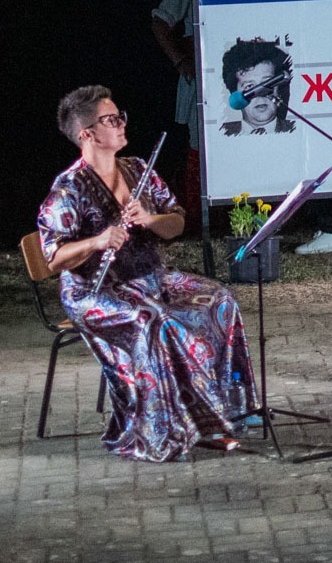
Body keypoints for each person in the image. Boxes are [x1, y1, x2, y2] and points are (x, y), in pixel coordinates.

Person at [37, 85, 257, 461]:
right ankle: (164, 428)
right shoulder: (69, 189)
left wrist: (151, 219)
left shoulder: (138, 169)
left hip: (151, 278)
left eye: (120, 116)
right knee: (153, 321)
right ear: (87, 134)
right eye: (111, 120)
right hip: (94, 290)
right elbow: (54, 259)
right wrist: (97, 241)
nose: (122, 124)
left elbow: (177, 223)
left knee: (220, 300)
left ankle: (226, 413)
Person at [151, 0, 201, 232]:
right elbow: (160, 22)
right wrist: (180, 60)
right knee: (199, 143)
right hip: (203, 76)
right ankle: (197, 217)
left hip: (246, 73)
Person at [220, 38, 296, 135]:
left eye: (267, 83)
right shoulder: (223, 133)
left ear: (278, 89)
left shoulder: (294, 129)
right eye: (249, 86)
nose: (260, 94)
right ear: (235, 93)